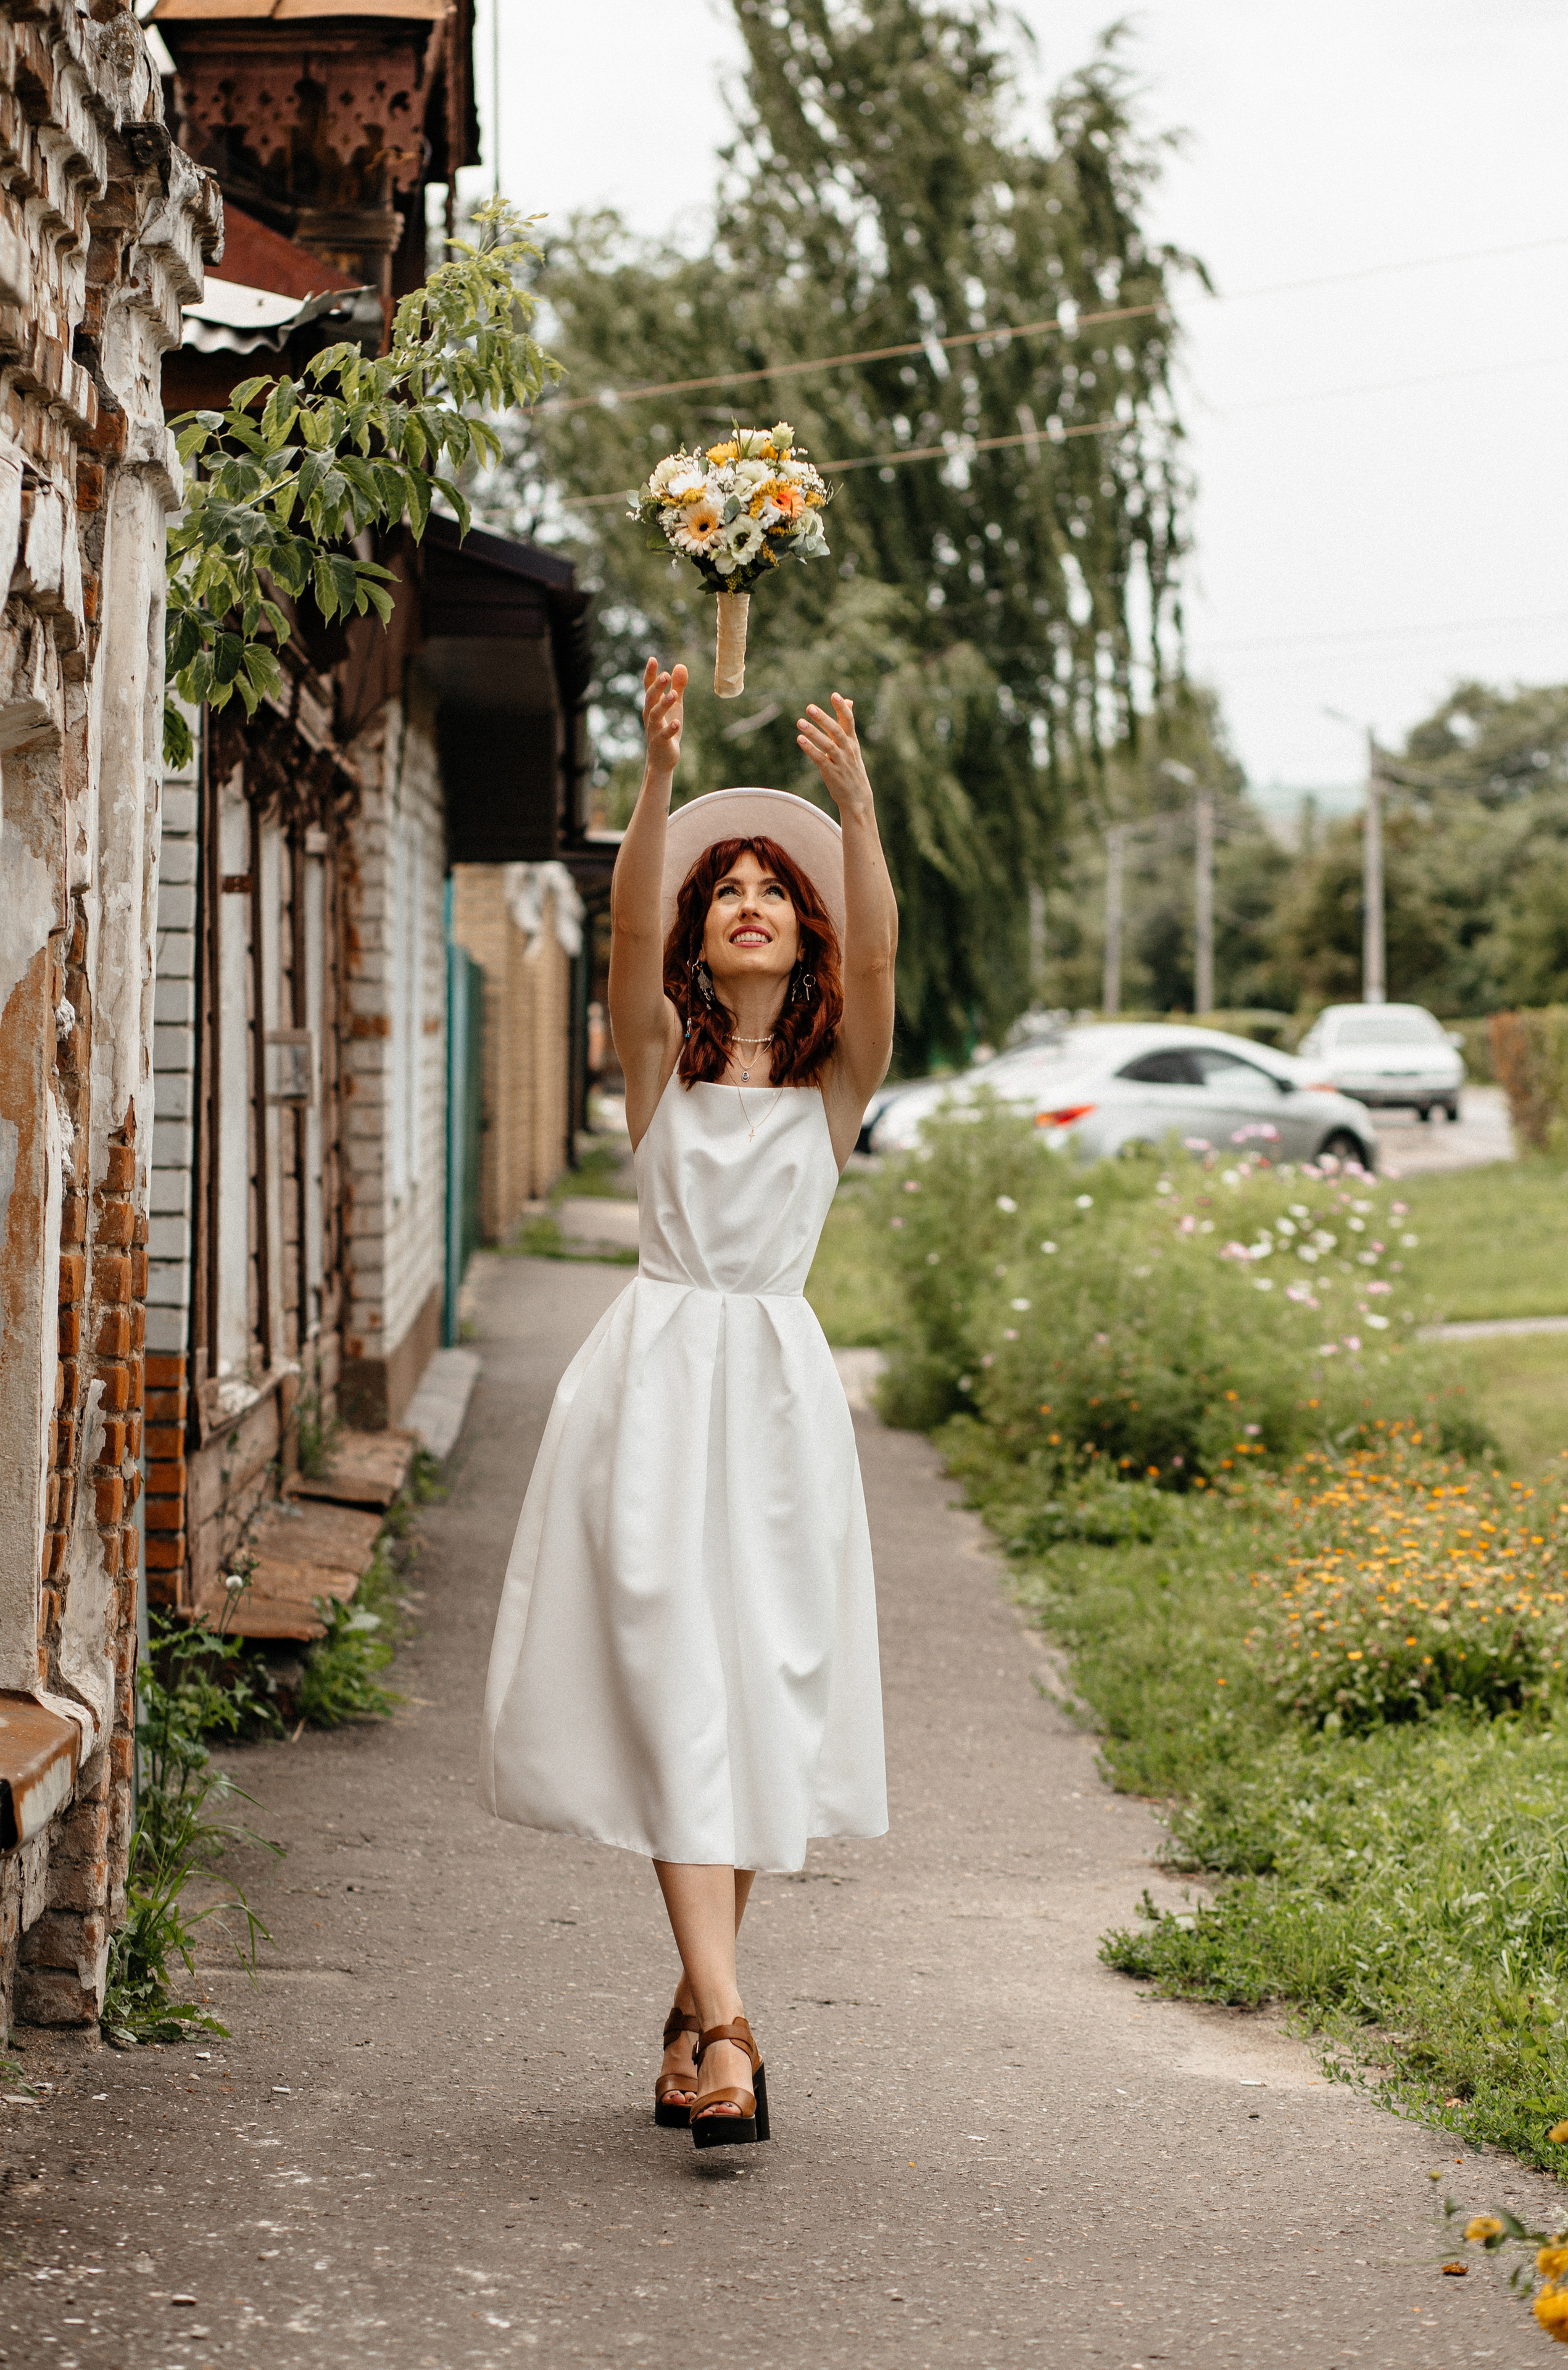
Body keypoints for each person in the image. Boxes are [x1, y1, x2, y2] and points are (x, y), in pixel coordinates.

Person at [479, 656, 898, 2148]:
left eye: (770, 890)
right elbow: (614, 936)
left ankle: (689, 2005)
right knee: (671, 1680)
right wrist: (655, 779)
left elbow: (888, 962)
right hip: (654, 1388)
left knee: (756, 1695)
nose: (741, 902)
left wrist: (853, 805)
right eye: (718, 887)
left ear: (805, 930)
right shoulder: (657, 1066)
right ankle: (729, 2029)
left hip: (776, 1402)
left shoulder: (836, 1082)